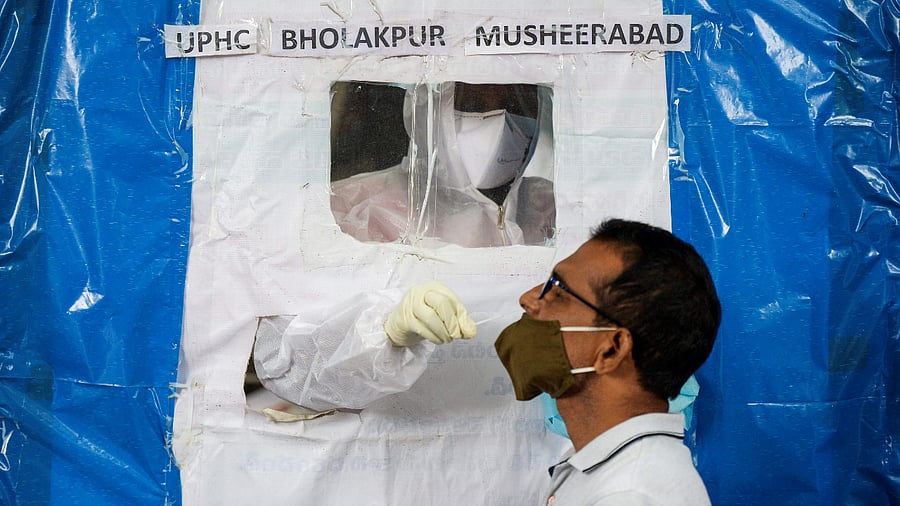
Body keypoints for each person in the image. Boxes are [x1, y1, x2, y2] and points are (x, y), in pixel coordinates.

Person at [495, 218, 721, 505]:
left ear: (613, 350)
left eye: (558, 291)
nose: (528, 299)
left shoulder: (628, 493)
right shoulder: (608, 467)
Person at [330, 81, 556, 248]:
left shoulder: (554, 207)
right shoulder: (355, 208)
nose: (500, 121)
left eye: (514, 104)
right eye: (474, 103)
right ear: (430, 112)